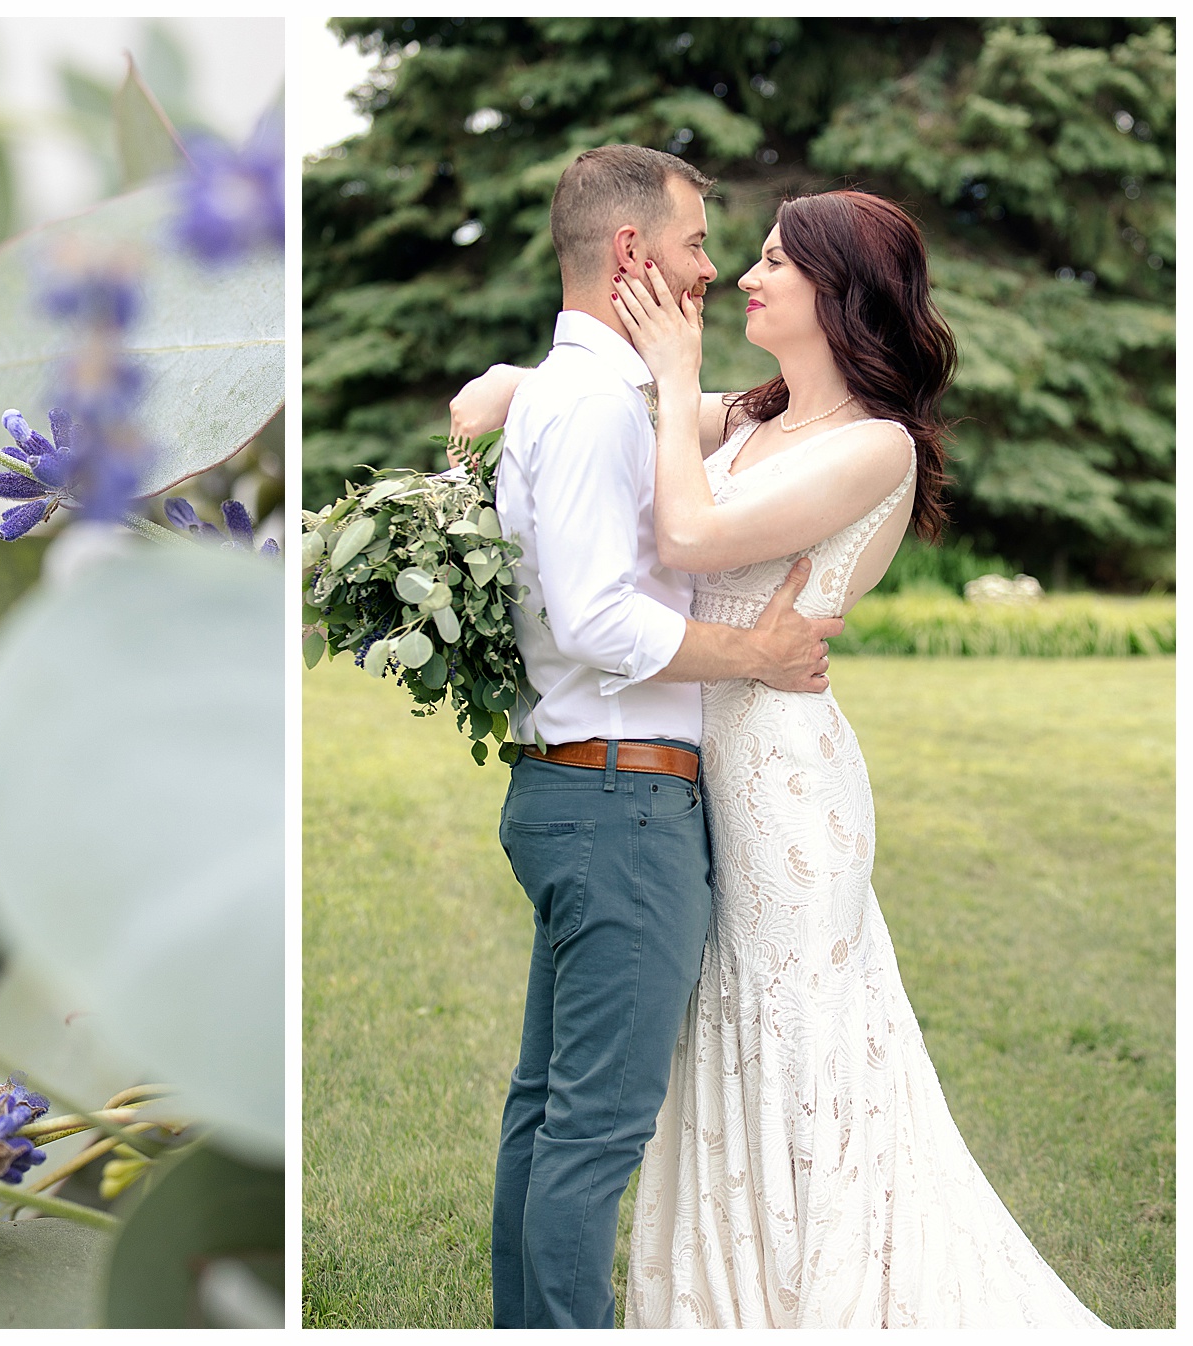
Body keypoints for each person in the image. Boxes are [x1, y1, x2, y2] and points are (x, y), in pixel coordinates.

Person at [452, 185, 1106, 1328]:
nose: (741, 277)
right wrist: (519, 385)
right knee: (715, 1040)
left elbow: (691, 532)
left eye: (770, 261)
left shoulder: (873, 447)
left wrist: (668, 376)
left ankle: (820, 1290)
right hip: (700, 769)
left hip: (787, 789)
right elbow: (548, 399)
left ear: (839, 292)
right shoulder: (751, 419)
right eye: (735, 253)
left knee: (801, 1035)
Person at [480, 144, 842, 1331]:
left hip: (585, 792)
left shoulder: (586, 392)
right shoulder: (588, 404)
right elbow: (592, 617)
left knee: (546, 1112)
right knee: (591, 1130)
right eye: (697, 242)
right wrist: (756, 656)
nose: (713, 268)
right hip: (623, 803)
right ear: (632, 252)